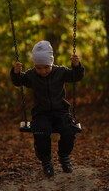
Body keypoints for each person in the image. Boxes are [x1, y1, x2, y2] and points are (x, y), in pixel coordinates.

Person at [10, 40, 85, 178]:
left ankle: (64, 157)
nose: (42, 71)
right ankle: (46, 161)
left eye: (46, 67)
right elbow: (19, 81)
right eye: (38, 68)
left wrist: (76, 66)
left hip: (60, 111)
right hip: (41, 113)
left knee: (69, 130)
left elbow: (76, 76)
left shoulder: (61, 72)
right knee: (40, 132)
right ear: (34, 66)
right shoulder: (32, 75)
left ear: (51, 62)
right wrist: (16, 73)